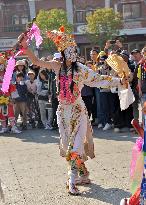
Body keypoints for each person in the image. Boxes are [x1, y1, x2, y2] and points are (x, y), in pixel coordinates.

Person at [18, 27, 128, 195]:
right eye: (68, 50)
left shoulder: (81, 69)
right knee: (68, 144)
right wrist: (25, 47)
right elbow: (37, 61)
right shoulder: (56, 66)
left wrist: (119, 81)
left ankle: (71, 180)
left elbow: (99, 79)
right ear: (62, 53)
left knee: (75, 145)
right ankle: (82, 173)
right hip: (62, 112)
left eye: (73, 50)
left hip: (77, 111)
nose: (72, 53)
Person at [0, 56, 21, 134]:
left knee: (10, 112)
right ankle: (4, 127)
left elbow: (12, 87)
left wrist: (13, 97)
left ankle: (13, 127)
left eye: (1, 64)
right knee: (1, 113)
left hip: (8, 97)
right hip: (0, 98)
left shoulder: (7, 75)